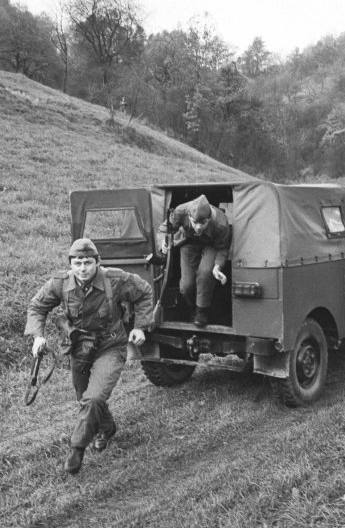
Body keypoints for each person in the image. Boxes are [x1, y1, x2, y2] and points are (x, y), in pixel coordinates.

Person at [25, 238, 153, 475]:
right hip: (79, 347)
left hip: (111, 345)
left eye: (87, 262)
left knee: (93, 398)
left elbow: (144, 292)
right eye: (77, 263)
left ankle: (77, 448)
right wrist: (37, 336)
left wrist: (141, 327)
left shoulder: (115, 280)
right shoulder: (60, 283)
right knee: (84, 396)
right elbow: (37, 307)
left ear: (97, 262)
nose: (82, 268)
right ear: (70, 264)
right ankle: (107, 427)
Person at [158, 194, 231, 327]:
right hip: (189, 242)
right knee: (186, 286)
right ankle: (192, 307)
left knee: (205, 273)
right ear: (189, 216)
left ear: (209, 219)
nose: (198, 227)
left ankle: (201, 312)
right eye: (194, 222)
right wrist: (163, 241)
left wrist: (218, 266)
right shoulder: (180, 212)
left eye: (203, 223)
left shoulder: (221, 223)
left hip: (211, 245)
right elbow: (165, 229)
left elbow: (222, 248)